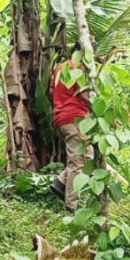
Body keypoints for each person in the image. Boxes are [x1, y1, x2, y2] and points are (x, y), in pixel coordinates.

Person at [48, 49, 93, 213]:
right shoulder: (78, 69)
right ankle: (72, 205)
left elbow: (51, 91)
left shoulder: (61, 68)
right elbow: (84, 94)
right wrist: (97, 111)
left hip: (60, 118)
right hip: (75, 118)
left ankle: (61, 182)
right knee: (78, 162)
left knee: (88, 156)